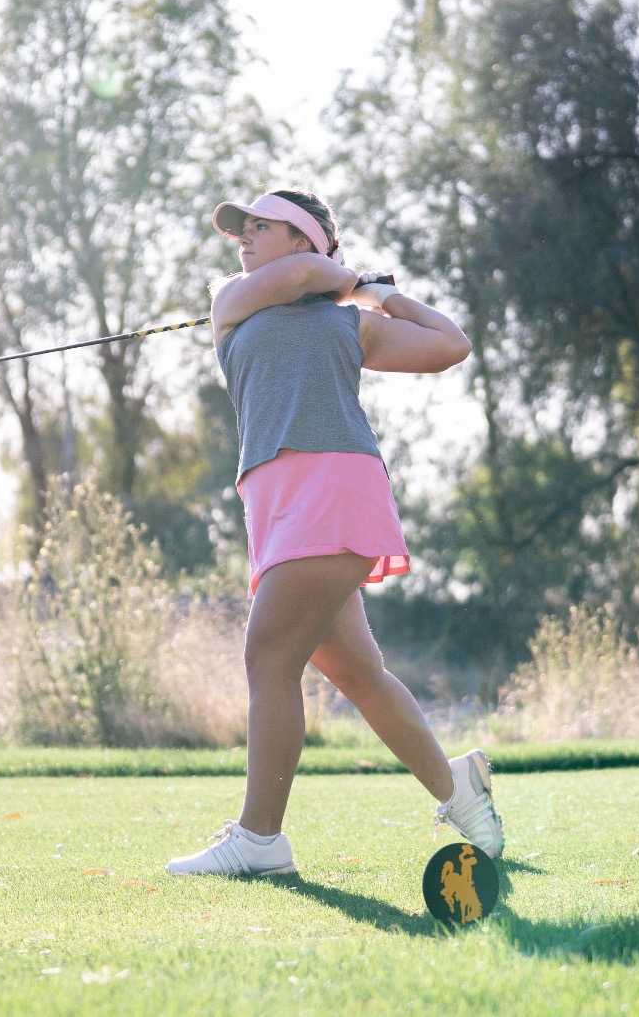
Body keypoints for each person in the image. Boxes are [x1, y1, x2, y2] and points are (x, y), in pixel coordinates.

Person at [165, 188, 504, 877]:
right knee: (356, 671)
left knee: (268, 657)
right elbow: (295, 278)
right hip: (273, 499)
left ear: (305, 236)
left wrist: (382, 297)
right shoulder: (233, 300)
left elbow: (451, 345)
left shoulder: (352, 323)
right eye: (242, 230)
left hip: (335, 486)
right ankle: (459, 788)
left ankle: (261, 838)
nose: (244, 240)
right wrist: (346, 278)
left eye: (261, 227)